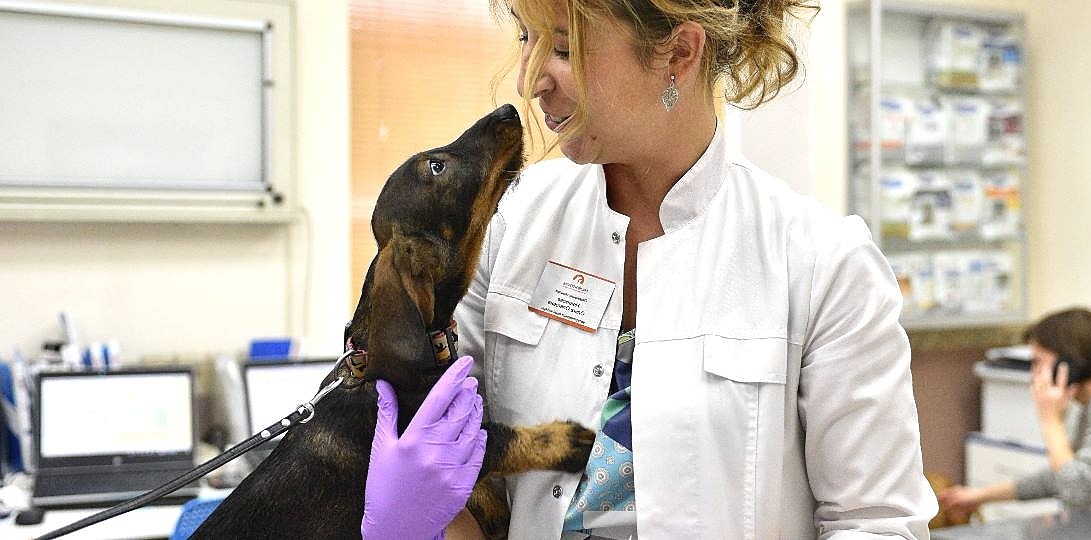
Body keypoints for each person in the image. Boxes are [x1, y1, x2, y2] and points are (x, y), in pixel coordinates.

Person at [362, 0, 938, 538]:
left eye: (563, 49)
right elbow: (457, 476)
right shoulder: (506, 228)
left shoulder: (822, 264)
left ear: (680, 53)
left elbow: (876, 522)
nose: (530, 79)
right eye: (526, 38)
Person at [939, 307, 1091, 520]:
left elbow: (1080, 491)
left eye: (1038, 361)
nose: (1034, 373)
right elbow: (1063, 476)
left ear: (1068, 362)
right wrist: (979, 496)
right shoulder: (1083, 404)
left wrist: (1050, 420)